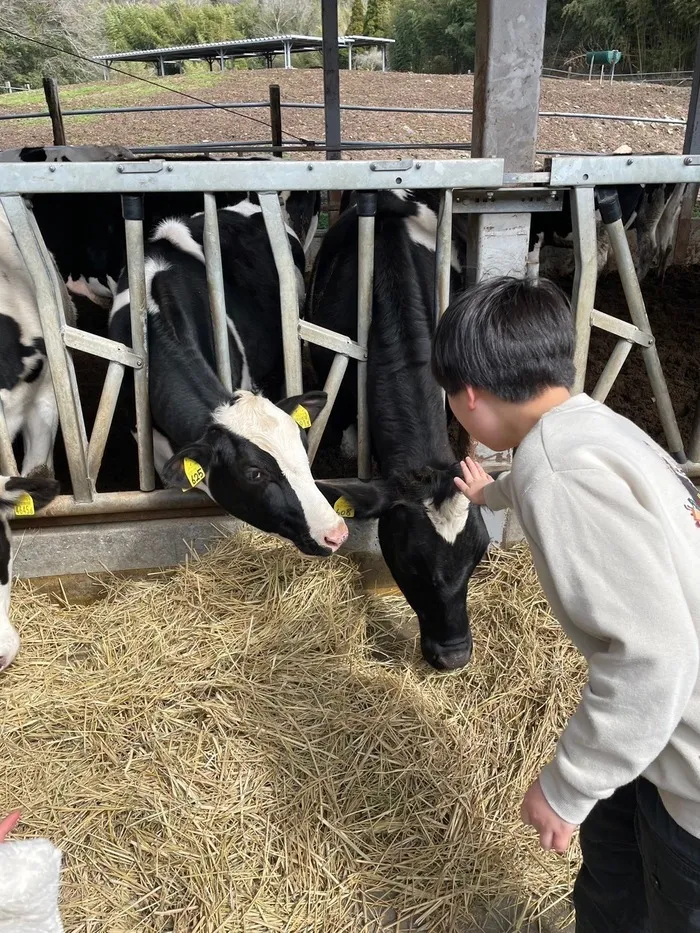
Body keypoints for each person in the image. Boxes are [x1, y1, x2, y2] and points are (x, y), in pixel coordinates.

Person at [431, 275, 700, 933]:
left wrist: (567, 785)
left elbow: (654, 658)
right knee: (609, 886)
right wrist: (491, 492)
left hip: (690, 772)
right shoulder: (586, 426)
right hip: (653, 742)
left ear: (469, 396)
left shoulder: (559, 471)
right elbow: (550, 480)